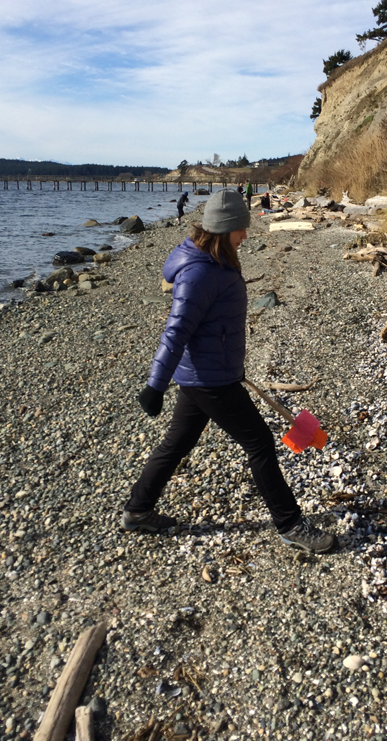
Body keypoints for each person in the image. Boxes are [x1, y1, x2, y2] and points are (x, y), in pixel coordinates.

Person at [121, 189, 335, 553]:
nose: (246, 235)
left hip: (210, 373)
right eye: (240, 228)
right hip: (210, 379)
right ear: (223, 229)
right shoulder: (200, 273)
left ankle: (138, 510)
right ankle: (290, 524)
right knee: (260, 443)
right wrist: (154, 386)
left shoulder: (216, 259)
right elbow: (176, 331)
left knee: (177, 444)